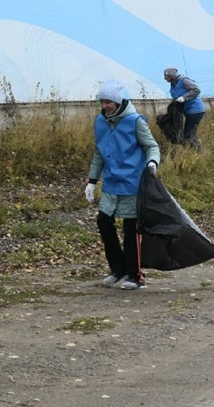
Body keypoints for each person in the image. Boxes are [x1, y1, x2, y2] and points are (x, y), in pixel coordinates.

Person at [85, 80, 161, 290]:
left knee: (131, 230)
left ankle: (136, 275)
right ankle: (118, 269)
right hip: (111, 183)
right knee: (103, 221)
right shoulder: (100, 122)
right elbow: (99, 153)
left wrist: (152, 163)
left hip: (132, 184)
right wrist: (92, 181)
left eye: (108, 101)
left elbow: (151, 146)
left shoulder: (135, 121)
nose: (104, 106)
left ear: (118, 102)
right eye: (102, 101)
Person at [163, 67, 205, 149]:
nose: (164, 78)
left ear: (170, 75)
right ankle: (193, 151)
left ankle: (199, 153)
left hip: (195, 110)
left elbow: (196, 89)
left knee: (189, 135)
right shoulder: (173, 83)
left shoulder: (183, 80)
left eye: (165, 76)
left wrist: (184, 97)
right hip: (188, 111)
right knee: (189, 134)